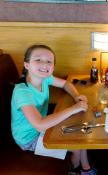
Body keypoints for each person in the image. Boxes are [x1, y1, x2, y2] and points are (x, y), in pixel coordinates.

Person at [11, 44, 96, 175]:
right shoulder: (22, 91)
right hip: (28, 139)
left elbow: (66, 84)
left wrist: (76, 96)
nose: (44, 64)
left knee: (80, 133)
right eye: (38, 60)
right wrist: (74, 108)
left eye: (49, 61)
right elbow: (39, 125)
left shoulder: (45, 78)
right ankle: (74, 170)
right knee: (77, 146)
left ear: (52, 67)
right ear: (27, 65)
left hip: (43, 127)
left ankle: (86, 168)